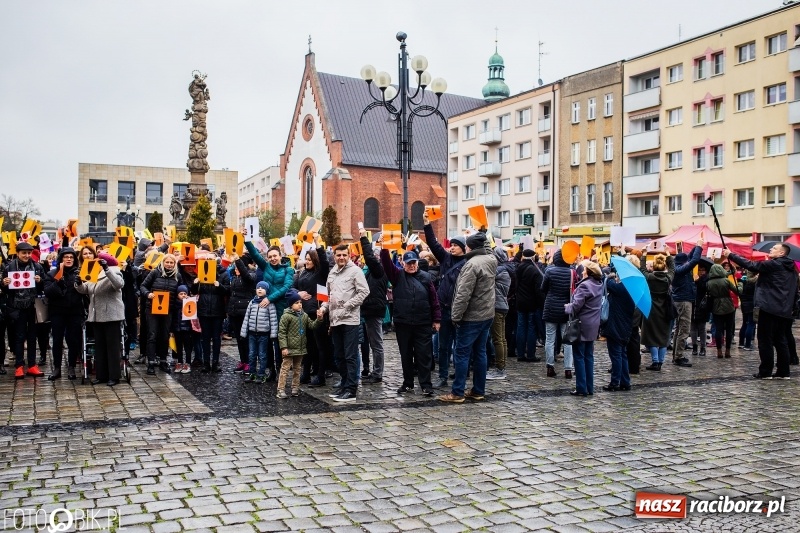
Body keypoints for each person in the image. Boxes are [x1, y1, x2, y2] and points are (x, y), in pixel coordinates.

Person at [723, 245, 798, 379]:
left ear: (782, 253)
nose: (770, 250)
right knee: (780, 340)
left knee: (765, 340)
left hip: (768, 307)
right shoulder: (792, 269)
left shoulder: (774, 264)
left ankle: (765, 371)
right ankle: (783, 372)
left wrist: (731, 255)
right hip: (784, 310)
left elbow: (751, 265)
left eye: (774, 248)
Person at [439, 232, 496, 403]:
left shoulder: (471, 265)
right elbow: (489, 248)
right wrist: (482, 232)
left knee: (462, 354)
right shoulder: (491, 259)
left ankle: (457, 392)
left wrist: (455, 316)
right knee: (480, 353)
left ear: (470, 247)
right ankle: (478, 390)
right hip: (487, 314)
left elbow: (463, 294)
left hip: (471, 317)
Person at [380, 248, 440, 396]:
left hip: (422, 323)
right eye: (408, 263)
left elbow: (434, 300)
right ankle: (408, 383)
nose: (412, 265)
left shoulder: (426, 277)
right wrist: (384, 248)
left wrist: (437, 319)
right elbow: (386, 263)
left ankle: (426, 385)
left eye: (414, 263)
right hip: (403, 323)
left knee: (424, 355)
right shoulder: (397, 276)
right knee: (406, 355)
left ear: (417, 263)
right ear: (403, 264)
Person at [318, 244, 369, 403]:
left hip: (350, 319)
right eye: (338, 255)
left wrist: (348, 305)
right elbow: (328, 296)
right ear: (334, 256)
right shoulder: (332, 272)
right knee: (339, 355)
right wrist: (323, 308)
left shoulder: (355, 271)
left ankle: (351, 390)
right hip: (335, 320)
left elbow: (364, 292)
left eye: (344, 255)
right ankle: (345, 384)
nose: (341, 258)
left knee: (350, 355)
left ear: (349, 256)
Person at [423, 213, 467, 388]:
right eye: (452, 245)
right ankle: (442, 376)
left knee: (460, 345)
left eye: (456, 245)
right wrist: (427, 225)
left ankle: (459, 372)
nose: (452, 247)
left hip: (459, 310)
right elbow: (433, 244)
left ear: (463, 248)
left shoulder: (468, 263)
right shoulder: (446, 258)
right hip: (444, 309)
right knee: (443, 346)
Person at [75, 253, 125, 386]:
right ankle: (101, 375)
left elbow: (119, 284)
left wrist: (107, 269)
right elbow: (86, 289)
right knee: (100, 347)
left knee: (112, 347)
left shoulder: (114, 272)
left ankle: (114, 376)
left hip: (111, 315)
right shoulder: (94, 274)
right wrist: (78, 283)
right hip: (96, 315)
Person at [2, 241, 46, 379]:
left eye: (29, 253)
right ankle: (19, 366)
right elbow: (4, 290)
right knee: (19, 336)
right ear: (17, 253)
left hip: (32, 306)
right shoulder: (9, 267)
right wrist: (4, 283)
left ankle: (32, 365)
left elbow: (44, 286)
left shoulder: (37, 267)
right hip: (16, 307)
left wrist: (40, 281)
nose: (27, 255)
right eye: (24, 253)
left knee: (32, 336)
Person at [292, 238, 331, 386]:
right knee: (307, 345)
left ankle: (321, 375)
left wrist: (318, 243)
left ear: (315, 260)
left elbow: (325, 261)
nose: (307, 262)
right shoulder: (302, 273)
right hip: (304, 313)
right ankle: (306, 373)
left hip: (317, 312)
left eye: (309, 260)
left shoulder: (320, 273)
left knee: (320, 345)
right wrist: (298, 293)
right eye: (306, 259)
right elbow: (293, 287)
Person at [43, 247, 84, 380]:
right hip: (57, 311)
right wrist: (58, 282)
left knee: (73, 340)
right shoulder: (52, 273)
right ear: (61, 259)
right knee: (57, 340)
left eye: (71, 257)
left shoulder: (79, 273)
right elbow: (47, 291)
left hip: (75, 311)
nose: (69, 259)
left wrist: (81, 283)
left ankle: (71, 366)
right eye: (66, 257)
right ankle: (57, 368)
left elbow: (86, 291)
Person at [564, 261, 603, 397]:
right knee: (589, 356)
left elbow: (576, 306)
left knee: (579, 356)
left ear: (589, 272)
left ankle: (581, 387)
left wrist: (566, 307)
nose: (582, 271)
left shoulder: (585, 286)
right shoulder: (598, 284)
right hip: (593, 324)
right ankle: (589, 387)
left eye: (584, 269)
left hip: (581, 324)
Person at [140, 253, 183, 375]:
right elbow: (143, 286)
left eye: (171, 262)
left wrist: (181, 296)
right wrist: (148, 294)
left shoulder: (177, 276)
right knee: (152, 335)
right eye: (167, 262)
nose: (169, 264)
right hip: (152, 309)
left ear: (174, 264)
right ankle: (151, 362)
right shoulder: (155, 272)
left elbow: (181, 289)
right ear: (163, 263)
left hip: (168, 309)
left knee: (164, 336)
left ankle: (163, 360)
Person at [277, 289, 321, 398]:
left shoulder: (304, 315)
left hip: (300, 348)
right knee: (285, 369)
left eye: (300, 302)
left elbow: (312, 325)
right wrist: (284, 347)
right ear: (291, 304)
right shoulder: (286, 316)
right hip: (289, 348)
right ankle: (281, 389)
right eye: (296, 303)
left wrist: (319, 319)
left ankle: (295, 388)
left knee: (297, 369)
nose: (300, 304)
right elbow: (281, 333)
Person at [192, 255, 231, 373]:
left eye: (211, 260)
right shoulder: (200, 273)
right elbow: (193, 291)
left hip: (217, 310)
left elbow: (227, 291)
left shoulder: (223, 274)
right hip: (204, 310)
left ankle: (215, 362)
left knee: (216, 337)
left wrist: (219, 286)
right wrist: (195, 284)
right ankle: (206, 363)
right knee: (205, 338)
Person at [358, 229, 387, 384]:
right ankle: (376, 371)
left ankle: (377, 373)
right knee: (373, 342)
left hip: (374, 309)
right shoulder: (373, 271)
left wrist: (364, 238)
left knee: (376, 343)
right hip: (370, 309)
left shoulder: (378, 269)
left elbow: (369, 257)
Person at [639, 251, 675, 371]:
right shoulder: (668, 278)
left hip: (651, 309)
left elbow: (642, 269)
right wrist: (668, 255)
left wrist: (644, 254)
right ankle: (660, 362)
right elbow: (672, 269)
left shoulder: (649, 278)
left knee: (650, 336)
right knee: (664, 337)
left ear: (654, 266)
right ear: (664, 266)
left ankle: (655, 361)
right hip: (665, 309)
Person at [541, 250, 575, 379]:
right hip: (566, 309)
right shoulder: (572, 272)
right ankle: (568, 369)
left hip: (551, 307)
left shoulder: (549, 271)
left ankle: (550, 367)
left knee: (550, 339)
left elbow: (543, 288)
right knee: (567, 341)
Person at [603, 260, 636, 391]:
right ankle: (625, 382)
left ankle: (615, 382)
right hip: (625, 326)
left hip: (616, 326)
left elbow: (608, 282)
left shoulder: (622, 288)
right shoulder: (632, 289)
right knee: (622, 355)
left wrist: (611, 276)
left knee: (616, 355)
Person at [670, 240, 703, 364]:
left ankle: (676, 355)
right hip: (684, 301)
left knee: (679, 329)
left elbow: (690, 258)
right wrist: (699, 247)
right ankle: (678, 356)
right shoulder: (680, 270)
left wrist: (696, 246)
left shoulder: (677, 267)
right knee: (684, 329)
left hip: (680, 300)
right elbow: (694, 261)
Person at [241, 281, 279, 383]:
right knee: (251, 354)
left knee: (262, 355)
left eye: (262, 288)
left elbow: (273, 320)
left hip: (264, 334)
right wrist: (243, 332)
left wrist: (273, 334)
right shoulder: (252, 302)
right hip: (252, 333)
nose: (260, 289)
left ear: (266, 290)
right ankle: (252, 373)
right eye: (258, 288)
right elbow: (247, 318)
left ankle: (261, 374)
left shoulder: (269, 304)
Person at [226, 253, 258, 374]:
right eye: (235, 267)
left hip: (244, 312)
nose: (236, 269)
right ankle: (243, 361)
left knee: (246, 338)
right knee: (239, 339)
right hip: (234, 312)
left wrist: (238, 260)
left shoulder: (251, 274)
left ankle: (249, 363)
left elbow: (247, 277)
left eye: (238, 266)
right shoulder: (235, 277)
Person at [515, 249, 544, 362]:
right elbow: (538, 290)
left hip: (520, 302)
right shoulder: (535, 270)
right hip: (532, 303)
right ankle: (531, 354)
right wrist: (541, 304)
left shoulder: (518, 268)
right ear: (533, 257)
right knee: (531, 328)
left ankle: (520, 354)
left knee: (521, 327)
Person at [487, 247, 511, 380]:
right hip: (502, 306)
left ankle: (500, 368)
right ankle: (501, 366)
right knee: (501, 339)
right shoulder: (505, 270)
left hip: (497, 306)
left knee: (498, 339)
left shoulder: (499, 271)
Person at [706, 264, 737, 358]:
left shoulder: (709, 283)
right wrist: (740, 285)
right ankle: (728, 350)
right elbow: (737, 290)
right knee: (729, 329)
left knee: (718, 330)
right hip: (728, 306)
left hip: (716, 306)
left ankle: (719, 351)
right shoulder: (726, 281)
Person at [173, 285, 196, 373]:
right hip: (177, 328)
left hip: (187, 328)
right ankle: (179, 362)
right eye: (181, 294)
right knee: (178, 347)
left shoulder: (190, 303)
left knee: (187, 347)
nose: (183, 295)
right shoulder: (175, 305)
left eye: (184, 293)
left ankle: (187, 363)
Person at [690, 264, 710, 356]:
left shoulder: (706, 279)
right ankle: (694, 346)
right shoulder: (691, 278)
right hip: (692, 305)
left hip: (702, 306)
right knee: (693, 328)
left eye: (703, 270)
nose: (701, 272)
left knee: (702, 328)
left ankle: (703, 347)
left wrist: (698, 281)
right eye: (700, 270)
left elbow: (704, 288)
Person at [738, 271, 757, 351]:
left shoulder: (744, 282)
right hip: (752, 304)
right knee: (751, 324)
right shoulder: (755, 283)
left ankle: (741, 343)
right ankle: (748, 345)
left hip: (744, 304)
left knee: (744, 324)